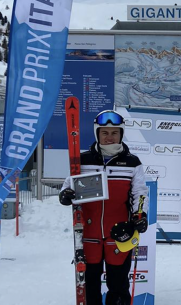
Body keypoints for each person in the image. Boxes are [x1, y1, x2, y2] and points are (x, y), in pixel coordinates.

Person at [59, 110, 149, 305]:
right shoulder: (83, 160)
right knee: (90, 285)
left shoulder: (132, 163)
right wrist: (65, 195)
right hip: (88, 232)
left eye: (114, 132)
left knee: (118, 285)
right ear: (97, 134)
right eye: (105, 133)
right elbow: (68, 185)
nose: (110, 137)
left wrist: (140, 215)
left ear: (121, 133)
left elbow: (139, 193)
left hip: (119, 232)